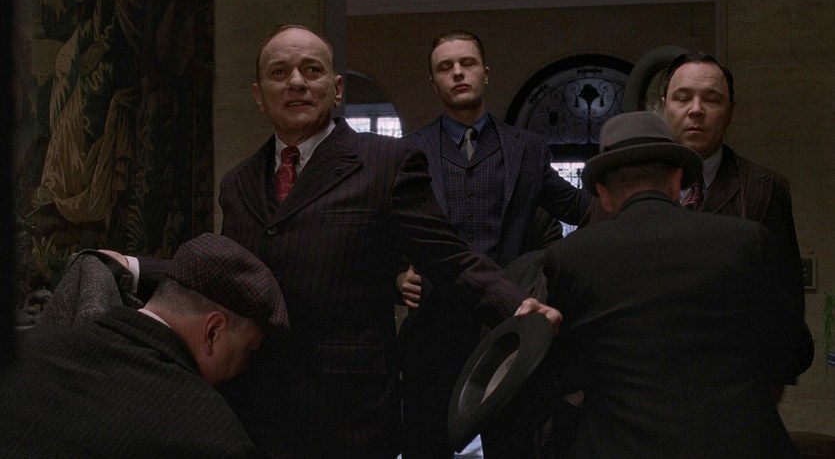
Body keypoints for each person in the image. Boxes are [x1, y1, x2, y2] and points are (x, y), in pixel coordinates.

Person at [118, 24, 560, 459]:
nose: (296, 82)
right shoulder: (238, 183)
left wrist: (517, 306)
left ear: (337, 88)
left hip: (350, 412)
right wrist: (131, 265)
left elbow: (450, 258)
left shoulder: (387, 163)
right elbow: (231, 276)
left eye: (312, 70)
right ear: (258, 95)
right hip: (257, 405)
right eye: (279, 72)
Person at [539, 111, 813, 458]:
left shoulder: (570, 257)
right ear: (676, 180)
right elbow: (794, 350)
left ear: (604, 195)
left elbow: (565, 374)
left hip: (618, 446)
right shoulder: (747, 241)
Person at [396, 29, 590, 459]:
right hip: (434, 330)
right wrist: (395, 277)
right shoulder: (408, 152)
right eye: (445, 67)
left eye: (466, 63)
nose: (457, 73)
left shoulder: (527, 149)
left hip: (509, 331)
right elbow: (381, 232)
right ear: (434, 82)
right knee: (426, 447)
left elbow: (578, 208)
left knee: (514, 448)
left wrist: (639, 198)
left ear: (485, 73)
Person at [586, 51, 805, 399]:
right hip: (637, 382)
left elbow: (785, 298)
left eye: (712, 99)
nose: (696, 110)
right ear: (664, 106)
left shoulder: (764, 188)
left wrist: (770, 388)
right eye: (683, 97)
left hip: (730, 384)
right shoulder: (620, 183)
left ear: (731, 111)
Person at [0, 233, 289, 458]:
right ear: (213, 332)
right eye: (248, 349)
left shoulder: (21, 352)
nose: (246, 367)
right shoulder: (215, 439)